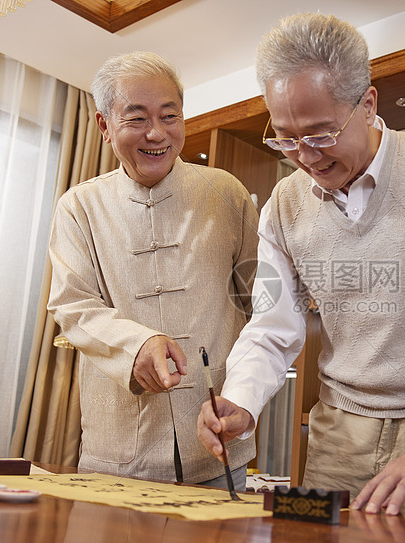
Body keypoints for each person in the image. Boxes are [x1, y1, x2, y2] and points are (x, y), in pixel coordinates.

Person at [197, 14, 405, 516]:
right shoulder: (283, 205)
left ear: (368, 104)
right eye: (285, 139)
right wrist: (240, 401)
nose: (304, 157)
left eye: (320, 135)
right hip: (337, 438)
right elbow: (272, 325)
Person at [48, 51, 258, 489]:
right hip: (118, 452)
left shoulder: (227, 194)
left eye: (169, 115)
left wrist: (249, 393)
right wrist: (136, 345)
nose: (156, 133)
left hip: (218, 446)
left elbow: (263, 302)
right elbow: (72, 305)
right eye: (137, 118)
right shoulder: (79, 207)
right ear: (104, 126)